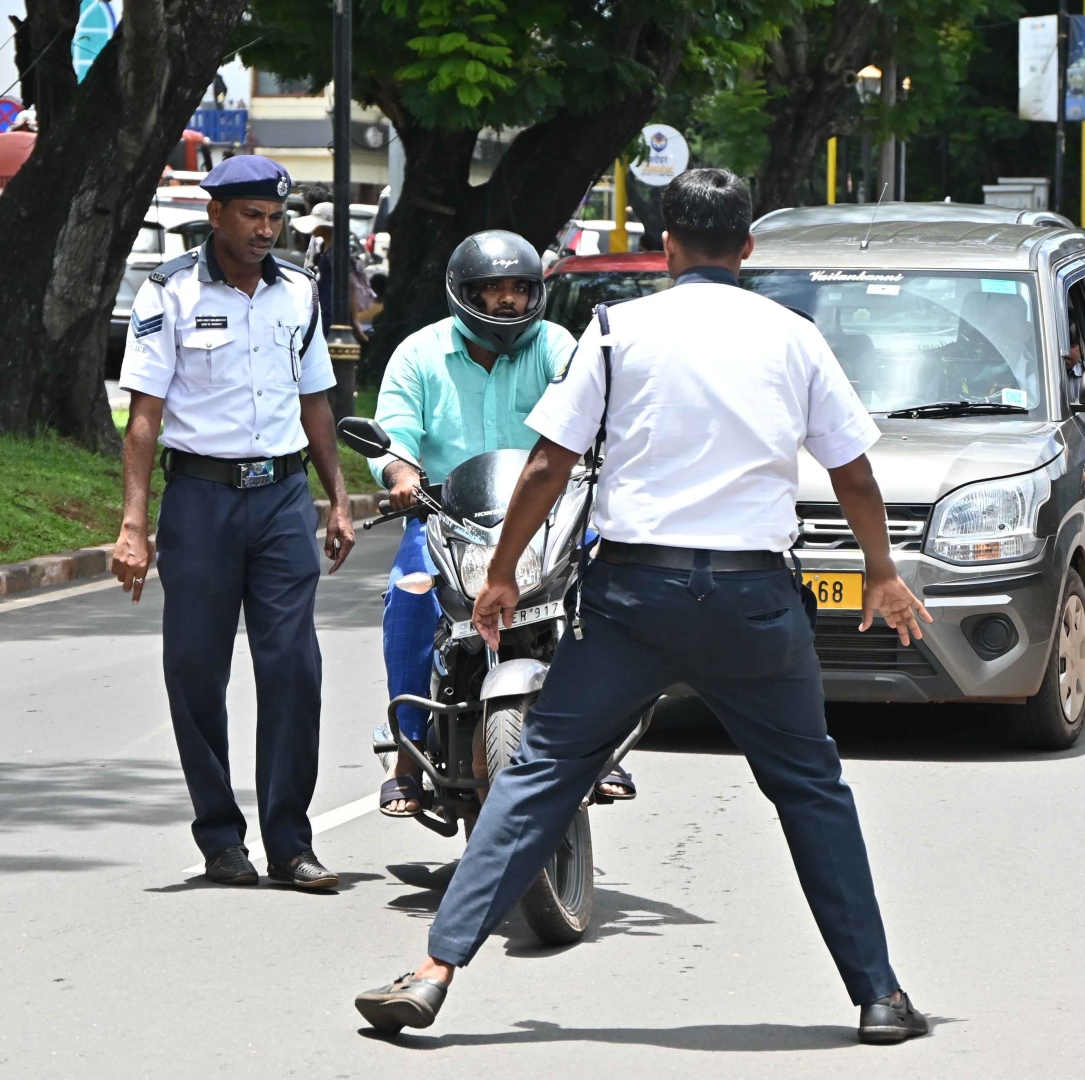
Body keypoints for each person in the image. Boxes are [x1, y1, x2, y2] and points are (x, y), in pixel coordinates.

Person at [354, 168, 933, 1044]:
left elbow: (548, 464)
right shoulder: (793, 337)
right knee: (812, 790)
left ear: (666, 245)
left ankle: (435, 970)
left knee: (543, 774)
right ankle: (880, 995)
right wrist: (882, 572)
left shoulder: (617, 331)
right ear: (747, 249)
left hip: (634, 597)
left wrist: (503, 571)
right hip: (750, 604)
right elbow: (852, 470)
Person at [112, 155, 357, 891]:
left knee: (293, 668)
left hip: (282, 499)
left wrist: (339, 497)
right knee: (195, 671)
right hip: (201, 501)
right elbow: (143, 419)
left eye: (275, 217)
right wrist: (133, 525)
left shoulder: (300, 293)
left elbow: (317, 402)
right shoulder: (171, 292)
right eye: (251, 216)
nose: (265, 230)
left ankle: (290, 842)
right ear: (216, 214)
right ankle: (221, 838)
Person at [370, 230, 635, 817]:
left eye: (520, 289)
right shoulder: (419, 353)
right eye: (491, 291)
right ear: (463, 293)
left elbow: (597, 416)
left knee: (609, 588)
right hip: (446, 517)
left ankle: (603, 743)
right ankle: (409, 753)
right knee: (409, 593)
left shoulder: (558, 346)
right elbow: (392, 436)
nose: (508, 301)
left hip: (550, 517)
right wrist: (400, 475)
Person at [292, 201, 371, 343]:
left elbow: (350, 284)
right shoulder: (321, 245)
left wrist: (354, 321)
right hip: (320, 311)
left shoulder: (338, 249)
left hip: (333, 315)